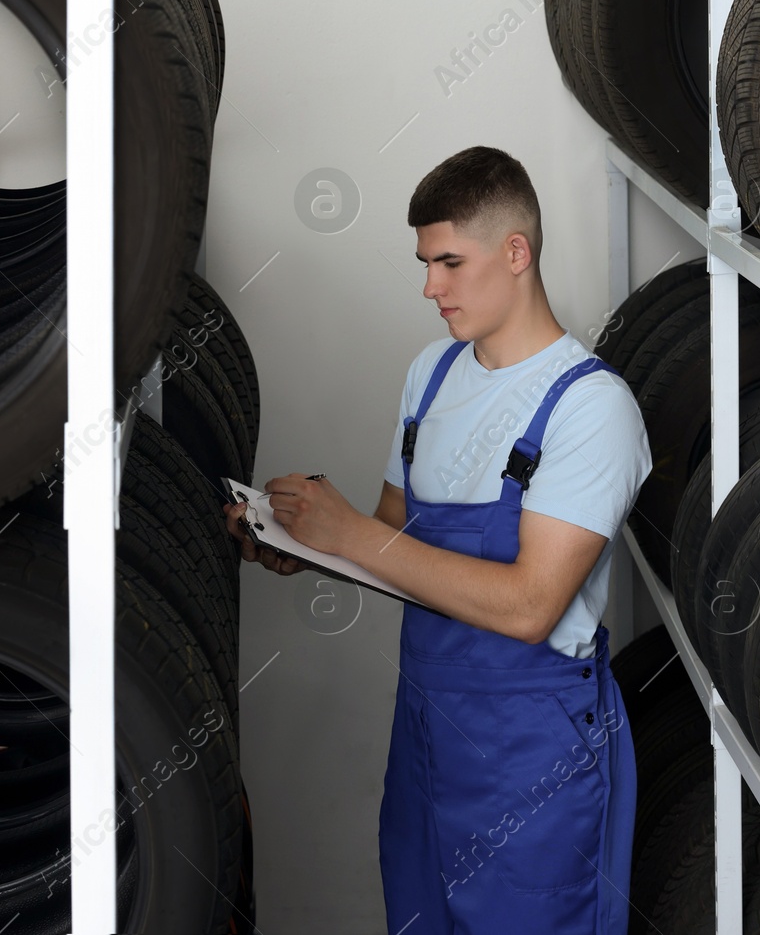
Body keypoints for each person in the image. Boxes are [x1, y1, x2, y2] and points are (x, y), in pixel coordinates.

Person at [223, 145, 652, 933]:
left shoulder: (592, 409)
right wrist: (310, 542)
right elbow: (396, 543)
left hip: (535, 756)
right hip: (426, 735)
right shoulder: (432, 373)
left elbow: (530, 605)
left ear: (516, 252)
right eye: (425, 263)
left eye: (450, 262)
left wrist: (354, 534)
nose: (431, 287)